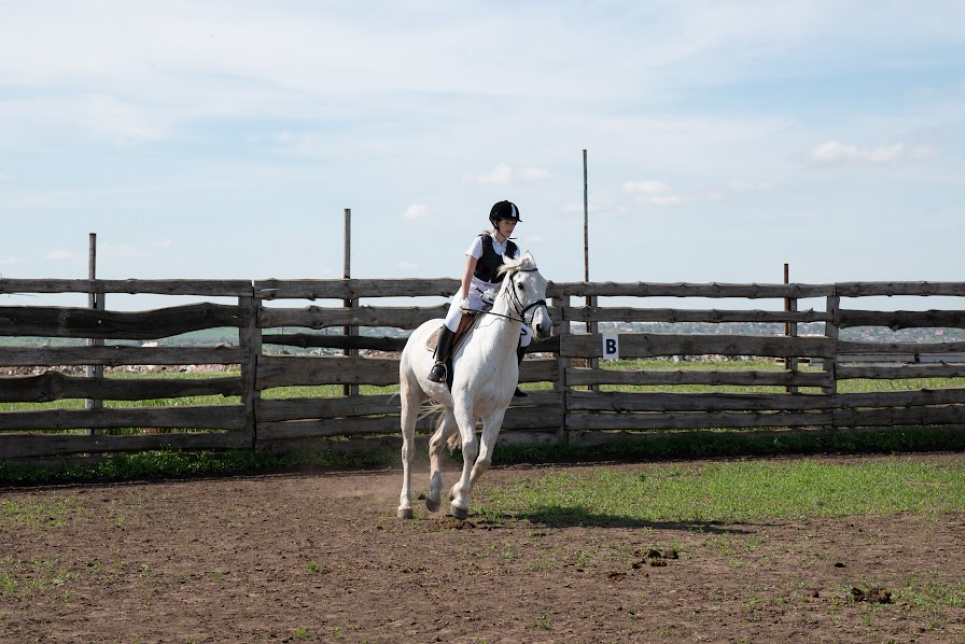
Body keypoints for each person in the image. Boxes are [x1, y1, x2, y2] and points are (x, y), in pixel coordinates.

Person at [428, 200, 533, 397]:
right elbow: (467, 273)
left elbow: (510, 279)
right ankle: (439, 364)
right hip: (473, 290)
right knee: (452, 320)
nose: (510, 227)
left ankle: (512, 377)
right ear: (496, 222)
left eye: (513, 224)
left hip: (496, 295)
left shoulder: (514, 250)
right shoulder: (481, 242)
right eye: (507, 223)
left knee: (525, 333)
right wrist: (466, 297)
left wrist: (498, 294)